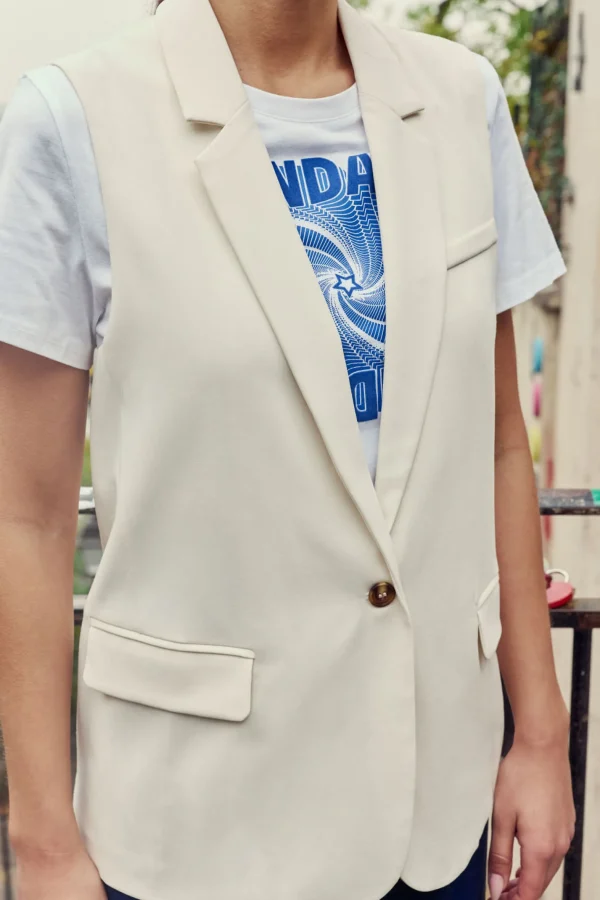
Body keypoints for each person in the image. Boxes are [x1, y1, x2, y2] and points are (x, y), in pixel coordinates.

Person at [0, 0, 575, 898]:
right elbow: (26, 517)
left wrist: (539, 734)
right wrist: (42, 844)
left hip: (437, 813)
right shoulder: (72, 121)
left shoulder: (463, 99)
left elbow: (500, 443)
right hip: (198, 823)